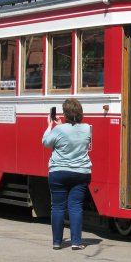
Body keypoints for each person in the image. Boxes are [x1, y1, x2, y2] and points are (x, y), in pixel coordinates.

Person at [42, 98, 92, 250]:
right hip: (81, 173)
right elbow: (74, 136)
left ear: (65, 114)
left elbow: (46, 142)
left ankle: (57, 242)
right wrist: (60, 127)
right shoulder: (87, 128)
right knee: (75, 207)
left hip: (59, 172)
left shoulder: (59, 129)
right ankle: (76, 242)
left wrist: (50, 126)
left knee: (57, 207)